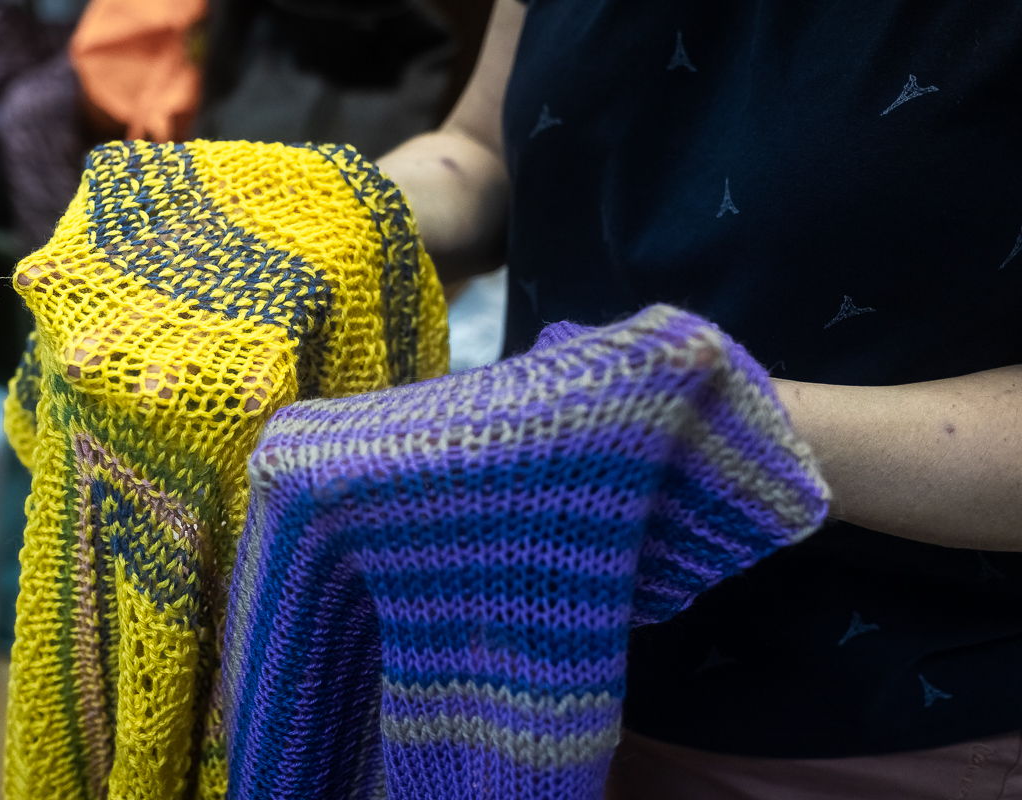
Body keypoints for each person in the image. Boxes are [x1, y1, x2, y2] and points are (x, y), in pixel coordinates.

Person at [377, 1, 1022, 797]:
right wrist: (326, 213)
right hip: (495, 677)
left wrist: (715, 419)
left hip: (870, 727)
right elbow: (479, 150)